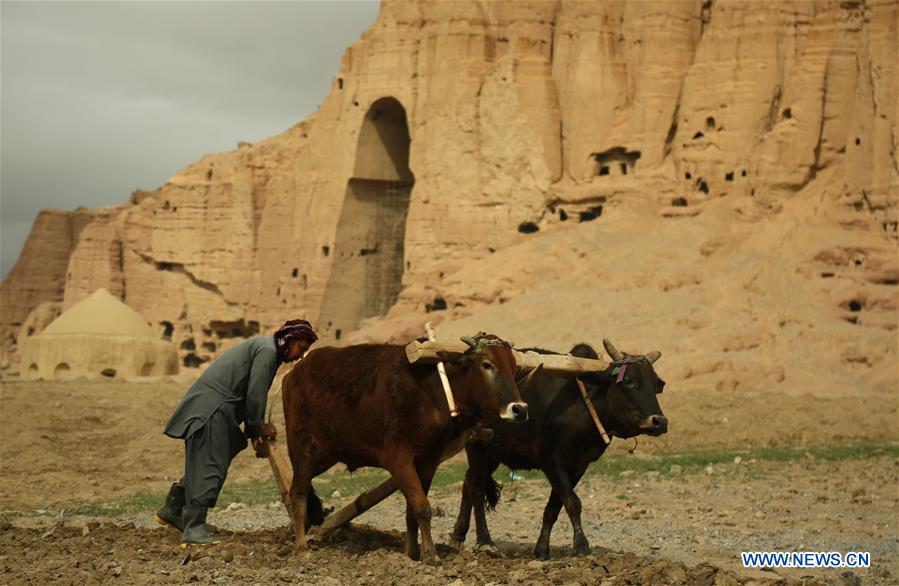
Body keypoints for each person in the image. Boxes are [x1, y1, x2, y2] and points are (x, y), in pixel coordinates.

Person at [155, 319, 318, 546]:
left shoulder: (265, 348)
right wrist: (260, 427)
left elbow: (251, 393)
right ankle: (193, 529)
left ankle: (173, 510)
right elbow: (255, 393)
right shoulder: (268, 352)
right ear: (289, 340)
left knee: (203, 463)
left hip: (215, 409)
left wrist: (254, 432)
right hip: (213, 410)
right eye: (301, 348)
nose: (300, 356)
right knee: (210, 467)